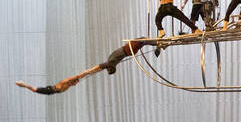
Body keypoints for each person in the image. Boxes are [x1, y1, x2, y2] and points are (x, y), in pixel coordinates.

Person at [16, 40, 146, 95]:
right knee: (33, 89)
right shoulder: (62, 86)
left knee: (33, 89)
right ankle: (22, 84)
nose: (73, 84)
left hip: (53, 89)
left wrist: (80, 76)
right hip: (53, 89)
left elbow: (75, 79)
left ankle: (22, 84)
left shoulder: (61, 86)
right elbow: (74, 80)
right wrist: (79, 77)